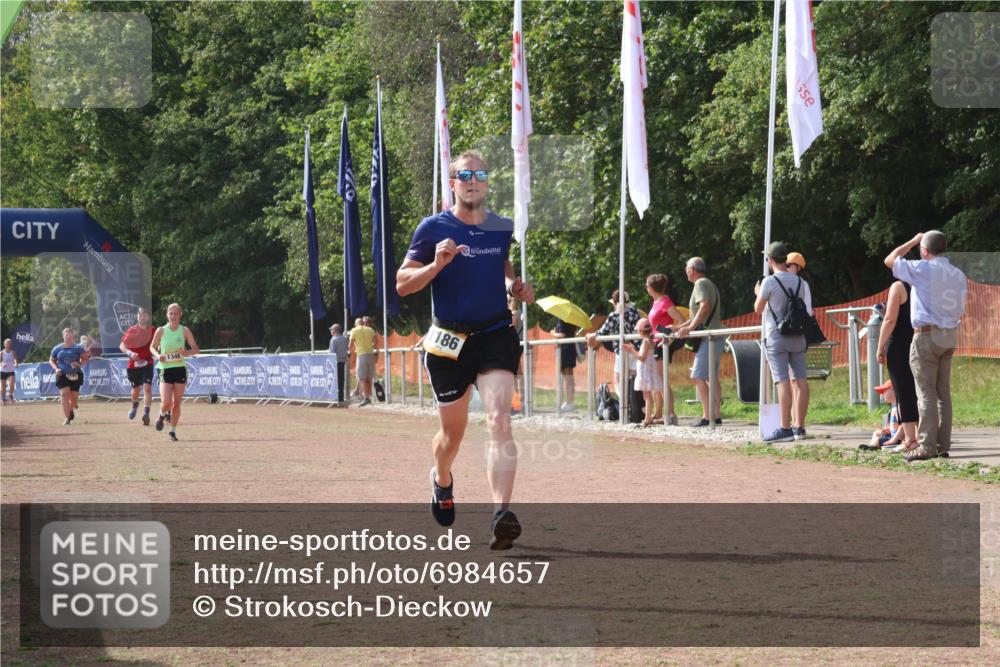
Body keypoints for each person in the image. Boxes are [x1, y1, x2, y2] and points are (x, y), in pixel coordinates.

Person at [396, 149, 535, 550]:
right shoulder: (433, 227)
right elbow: (403, 284)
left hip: (494, 334)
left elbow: (502, 266)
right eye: (465, 175)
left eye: (480, 175)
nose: (473, 181)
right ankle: (441, 479)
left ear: (488, 183)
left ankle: (500, 515)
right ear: (453, 184)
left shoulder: (500, 227)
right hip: (448, 342)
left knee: (499, 419)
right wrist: (436, 265)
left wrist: (514, 287)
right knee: (451, 436)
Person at [884, 230, 967, 462]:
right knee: (943, 393)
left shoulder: (924, 268)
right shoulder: (958, 274)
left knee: (926, 392)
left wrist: (912, 240)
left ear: (924, 250)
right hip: (949, 335)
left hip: (926, 335)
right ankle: (942, 445)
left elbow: (890, 260)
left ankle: (926, 446)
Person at [753, 242, 813, 442]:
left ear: (770, 260)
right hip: (798, 336)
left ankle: (785, 428)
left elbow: (758, 309)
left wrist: (758, 293)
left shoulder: (769, 282)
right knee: (801, 380)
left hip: (777, 336)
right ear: (785, 259)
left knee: (782, 381)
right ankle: (799, 427)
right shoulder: (801, 282)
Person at [675, 257, 725, 427]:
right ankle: (715, 415)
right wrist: (680, 327)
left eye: (686, 268)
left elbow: (704, 307)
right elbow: (699, 315)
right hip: (715, 335)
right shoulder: (709, 283)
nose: (685, 271)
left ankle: (707, 416)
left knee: (697, 376)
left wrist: (689, 328)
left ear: (691, 270)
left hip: (707, 337)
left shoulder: (700, 284)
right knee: (711, 377)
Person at [875, 281, 919, 452]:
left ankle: (910, 439)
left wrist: (880, 346)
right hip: (919, 341)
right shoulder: (922, 283)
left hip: (899, 345)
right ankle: (922, 435)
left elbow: (890, 319)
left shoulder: (898, 287)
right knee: (919, 392)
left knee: (903, 393)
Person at [150, 303, 200, 442]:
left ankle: (172, 431)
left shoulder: (185, 331)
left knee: (176, 403)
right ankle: (162, 415)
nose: (173, 316)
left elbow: (196, 349)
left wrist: (186, 353)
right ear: (167, 315)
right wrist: (158, 355)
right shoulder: (161, 330)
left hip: (179, 369)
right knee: (166, 403)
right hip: (165, 369)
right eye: (170, 313)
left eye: (175, 314)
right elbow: (152, 347)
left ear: (180, 315)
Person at [645, 273, 685, 425]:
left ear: (651, 288)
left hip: (662, 344)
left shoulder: (665, 302)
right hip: (655, 344)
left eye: (647, 285)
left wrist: (671, 334)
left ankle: (672, 415)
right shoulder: (656, 302)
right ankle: (659, 413)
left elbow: (681, 320)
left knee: (661, 380)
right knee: (657, 380)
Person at [586, 289, 640, 398]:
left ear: (615, 302)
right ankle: (634, 404)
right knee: (633, 380)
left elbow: (603, 331)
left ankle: (624, 403)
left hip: (622, 350)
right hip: (635, 349)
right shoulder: (635, 312)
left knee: (618, 381)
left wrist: (591, 335)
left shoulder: (614, 315)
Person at [119, 307, 156, 425]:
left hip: (147, 363)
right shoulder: (132, 330)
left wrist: (159, 348)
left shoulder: (153, 330)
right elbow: (122, 346)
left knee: (147, 388)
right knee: (135, 391)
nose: (142, 317)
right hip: (133, 365)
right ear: (137, 316)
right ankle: (135, 404)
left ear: (148, 317)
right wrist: (130, 353)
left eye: (144, 315)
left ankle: (146, 414)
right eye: (140, 314)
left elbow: (158, 342)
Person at [625, 318, 661, 427]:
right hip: (646, 371)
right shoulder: (649, 340)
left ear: (640, 331)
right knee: (647, 396)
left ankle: (647, 418)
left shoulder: (645, 342)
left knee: (647, 396)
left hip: (645, 373)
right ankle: (648, 417)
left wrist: (631, 350)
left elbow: (642, 357)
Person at [49, 327, 89, 425]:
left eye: (70, 335)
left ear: (73, 336)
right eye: (66, 335)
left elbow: (85, 359)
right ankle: (67, 418)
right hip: (62, 374)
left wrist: (79, 364)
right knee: (64, 394)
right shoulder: (57, 348)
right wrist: (56, 369)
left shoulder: (78, 348)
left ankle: (71, 409)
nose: (68, 337)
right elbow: (51, 360)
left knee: (74, 399)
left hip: (75, 374)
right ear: (63, 336)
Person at [859, 380, 904, 451]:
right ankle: (873, 445)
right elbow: (896, 425)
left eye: (884, 391)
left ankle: (874, 446)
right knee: (876, 433)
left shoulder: (899, 408)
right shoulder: (893, 408)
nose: (882, 394)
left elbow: (903, 426)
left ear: (893, 390)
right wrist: (888, 429)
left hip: (898, 439)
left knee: (878, 440)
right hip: (893, 435)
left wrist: (894, 439)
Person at [550, 317, 578, 412]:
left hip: (564, 350)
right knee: (570, 377)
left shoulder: (562, 319)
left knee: (567, 378)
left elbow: (562, 335)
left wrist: (553, 333)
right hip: (571, 348)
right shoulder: (572, 319)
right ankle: (570, 402)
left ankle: (569, 402)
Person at [349, 318, 376, 406]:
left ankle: (366, 397)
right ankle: (369, 396)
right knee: (369, 377)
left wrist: (355, 347)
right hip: (370, 354)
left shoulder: (354, 330)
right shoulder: (370, 329)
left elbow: (350, 345)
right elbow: (375, 343)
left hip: (361, 355)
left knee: (361, 377)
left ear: (356, 324)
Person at [328, 324, 350, 404]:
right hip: (343, 361)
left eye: (331, 329)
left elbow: (332, 352)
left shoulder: (333, 340)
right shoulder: (345, 339)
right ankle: (341, 398)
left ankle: (335, 397)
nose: (331, 331)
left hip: (335, 362)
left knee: (334, 380)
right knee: (341, 380)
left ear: (335, 330)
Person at [1, 338, 18, 405]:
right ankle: (3, 400)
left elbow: (15, 359)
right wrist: (2, 364)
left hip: (11, 371)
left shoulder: (13, 352)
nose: (8, 345)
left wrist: (16, 363)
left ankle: (11, 395)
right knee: (3, 387)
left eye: (9, 344)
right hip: (3, 371)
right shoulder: (2, 353)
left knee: (12, 383)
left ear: (11, 345)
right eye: (7, 344)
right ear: (4, 345)